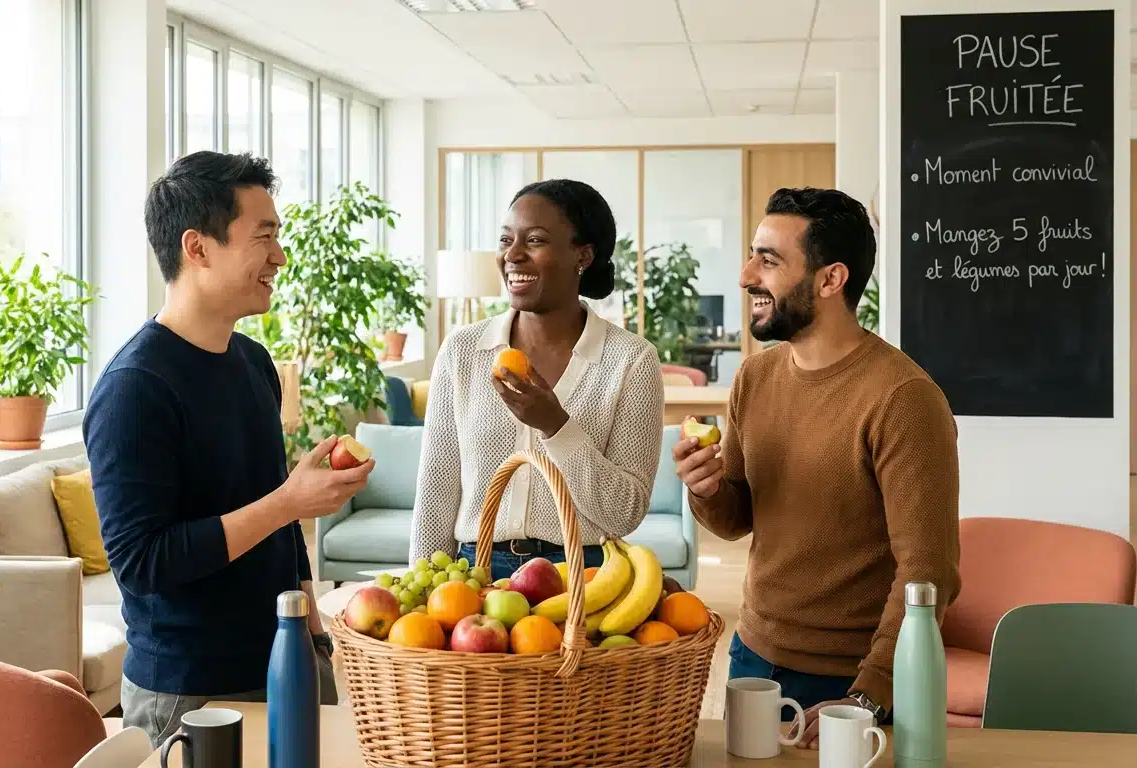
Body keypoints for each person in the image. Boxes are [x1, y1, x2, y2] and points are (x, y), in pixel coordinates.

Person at [84, 151, 375, 746]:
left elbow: (278, 521)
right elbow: (142, 565)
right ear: (197, 247)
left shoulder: (253, 362)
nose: (279, 256)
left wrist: (315, 638)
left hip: (286, 660)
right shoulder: (135, 388)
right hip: (189, 692)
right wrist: (289, 502)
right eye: (262, 236)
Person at [674, 187, 961, 748]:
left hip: (847, 678)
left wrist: (870, 694)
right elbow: (736, 518)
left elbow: (928, 570)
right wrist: (706, 488)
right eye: (754, 254)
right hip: (751, 655)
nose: (745, 275)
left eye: (770, 260)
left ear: (831, 279)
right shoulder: (755, 379)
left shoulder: (904, 399)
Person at [410, 178, 664, 579]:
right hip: (476, 572)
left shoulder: (631, 361)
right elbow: (436, 494)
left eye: (535, 241)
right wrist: (423, 590)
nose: (513, 255)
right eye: (506, 239)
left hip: (584, 574)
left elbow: (625, 511)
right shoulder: (463, 352)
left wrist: (556, 426)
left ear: (582, 255)